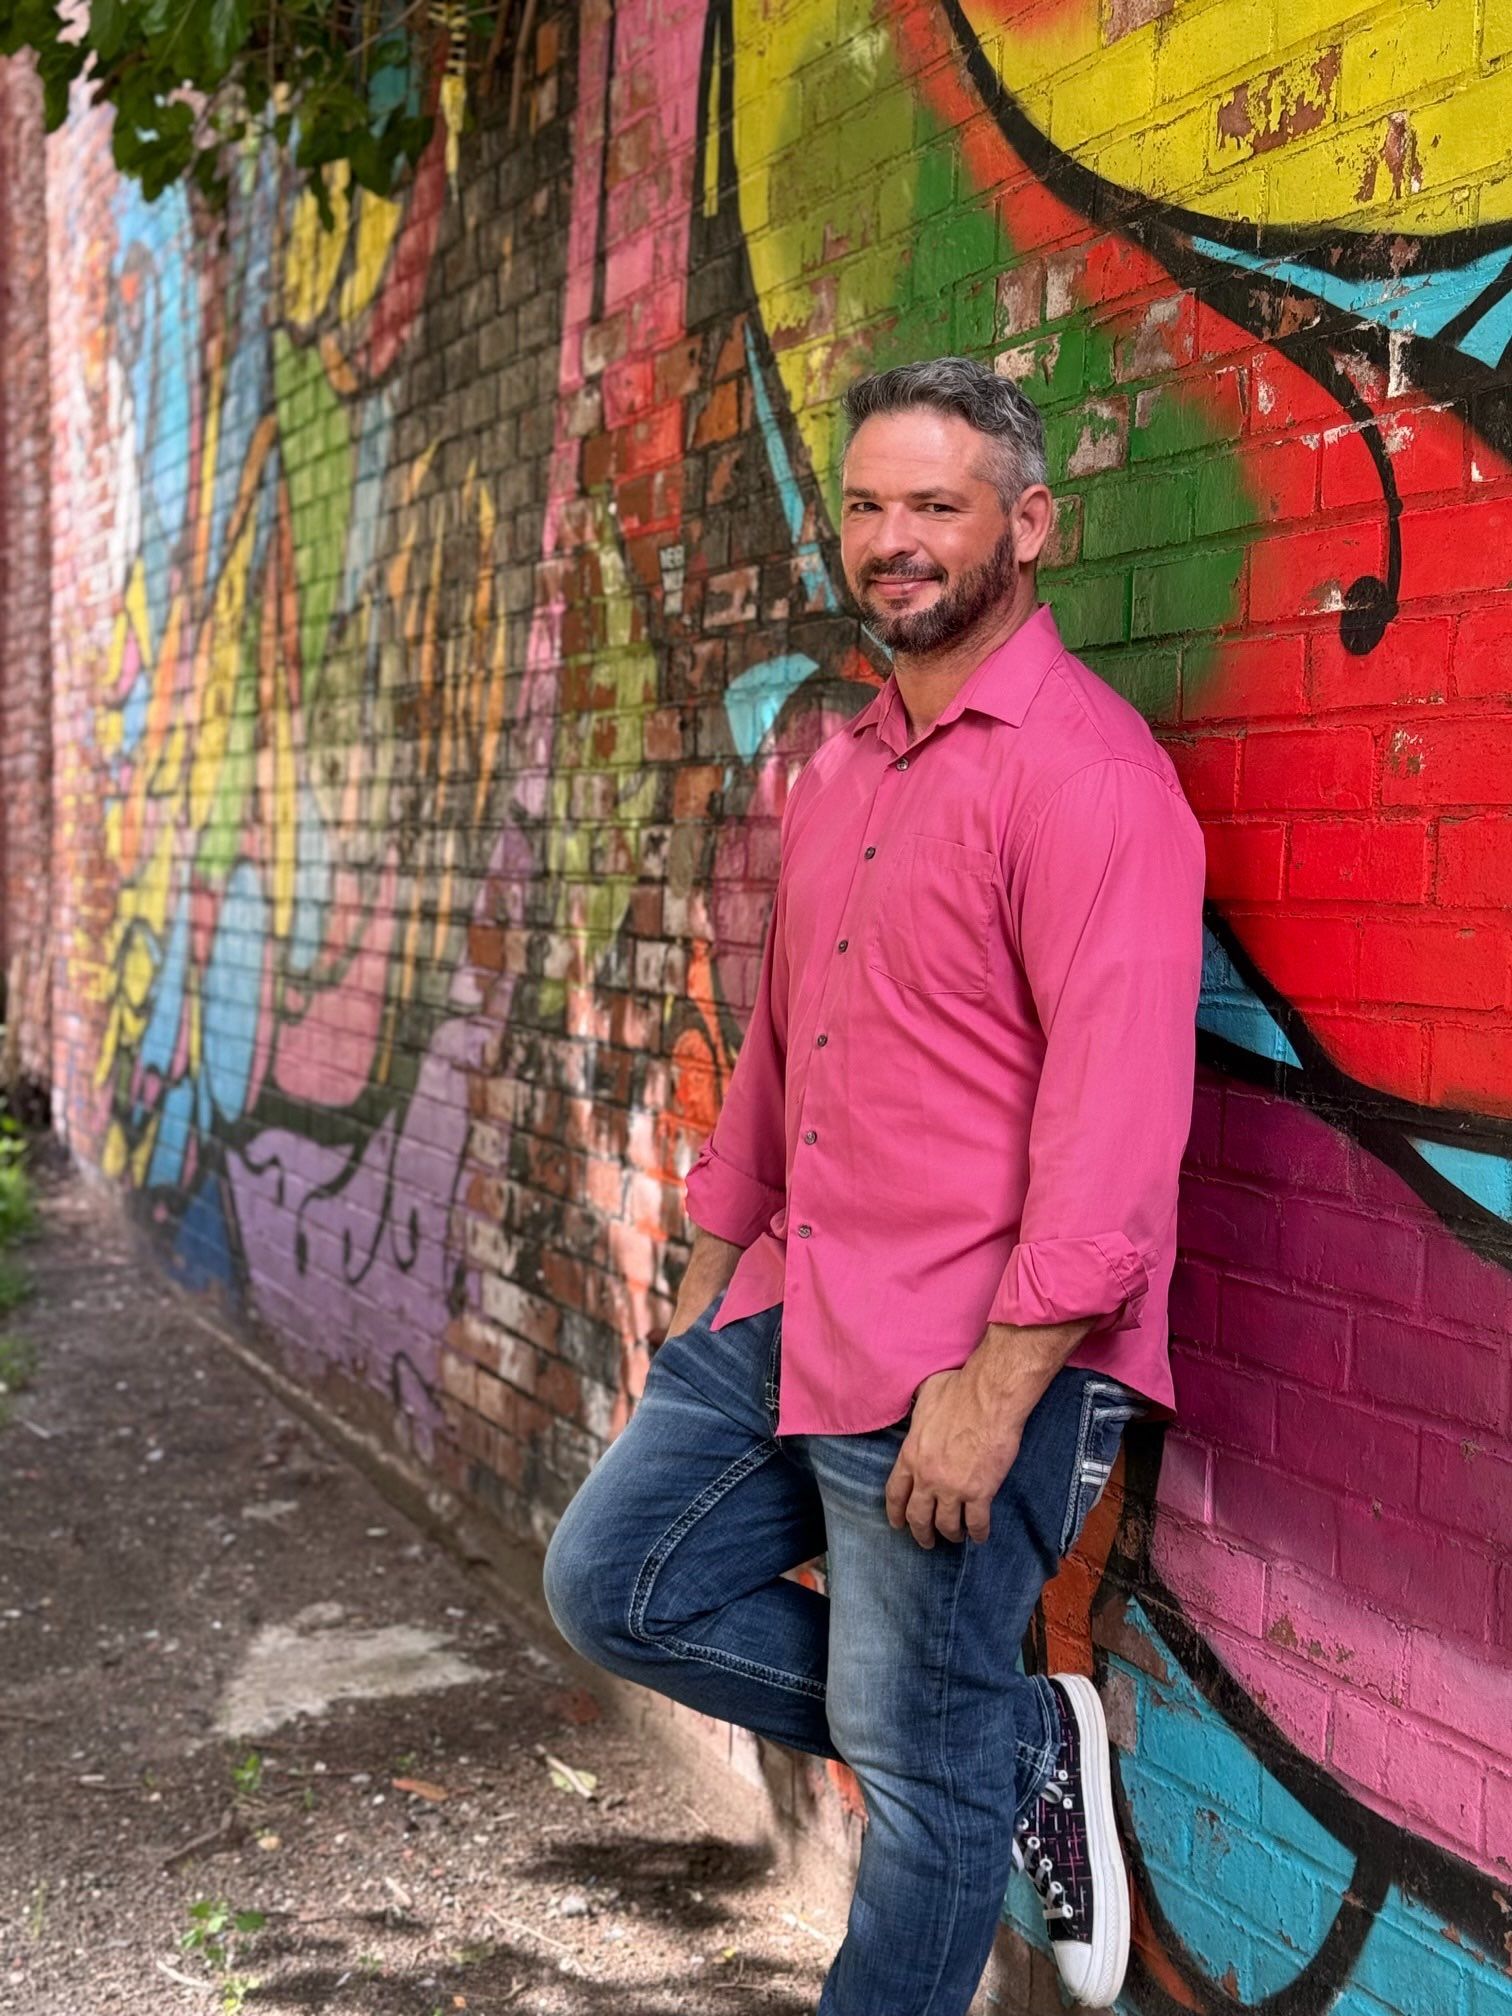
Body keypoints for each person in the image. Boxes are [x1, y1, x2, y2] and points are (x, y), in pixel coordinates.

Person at [544, 356, 1206, 2014]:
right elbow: (780, 1047)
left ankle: (967, 1753)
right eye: (867, 504)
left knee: (918, 1798)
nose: (892, 539)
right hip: (794, 1309)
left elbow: (1115, 1126)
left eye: (936, 505)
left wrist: (996, 1390)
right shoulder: (843, 769)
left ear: (1029, 523)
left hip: (967, 1349)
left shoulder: (1092, 781)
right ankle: (997, 1738)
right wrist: (705, 1275)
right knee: (611, 1583)